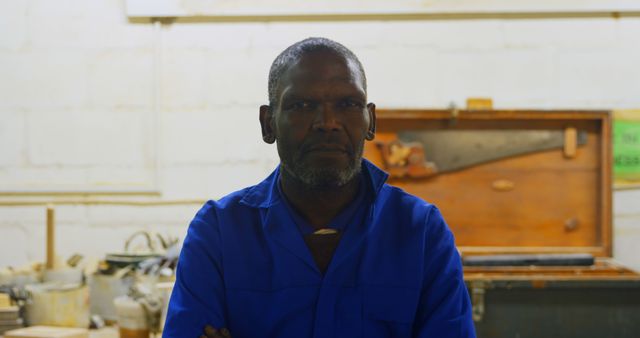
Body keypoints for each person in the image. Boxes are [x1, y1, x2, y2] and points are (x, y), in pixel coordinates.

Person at [163, 37, 475, 338]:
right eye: (301, 104)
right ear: (268, 123)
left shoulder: (421, 233)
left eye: (348, 104)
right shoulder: (219, 232)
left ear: (371, 121)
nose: (327, 122)